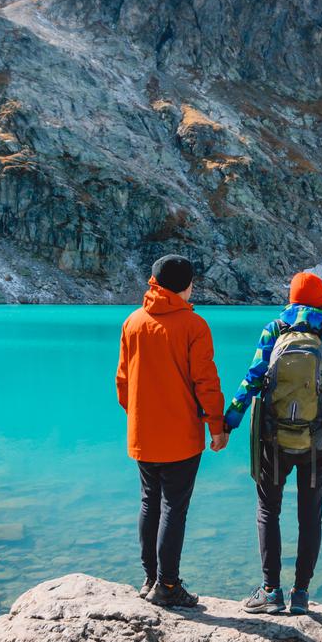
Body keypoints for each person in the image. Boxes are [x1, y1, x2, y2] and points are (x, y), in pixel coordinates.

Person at [223, 271, 322, 615]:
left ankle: (270, 591)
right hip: (317, 441)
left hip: (273, 438)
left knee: (269, 510)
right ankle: (301, 594)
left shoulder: (275, 329)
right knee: (311, 517)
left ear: (292, 298)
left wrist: (229, 420)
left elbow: (252, 378)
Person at [116, 254, 229, 608]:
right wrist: (217, 426)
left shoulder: (132, 322)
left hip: (143, 434)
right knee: (173, 508)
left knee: (149, 502)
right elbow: (206, 382)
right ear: (186, 286)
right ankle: (167, 585)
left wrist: (139, 416)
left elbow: (122, 381)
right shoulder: (193, 325)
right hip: (181, 438)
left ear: (154, 282)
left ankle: (150, 578)